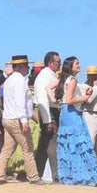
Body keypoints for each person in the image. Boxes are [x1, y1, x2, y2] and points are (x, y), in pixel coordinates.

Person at [50, 57, 97, 186]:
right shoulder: (72, 80)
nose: (79, 65)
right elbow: (69, 100)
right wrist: (84, 98)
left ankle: (69, 174)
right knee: (79, 143)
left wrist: (54, 99)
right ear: (71, 66)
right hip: (71, 112)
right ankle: (81, 175)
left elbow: (48, 87)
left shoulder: (63, 79)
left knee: (68, 143)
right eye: (77, 63)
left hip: (64, 113)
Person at [0, 55, 41, 184]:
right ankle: (34, 177)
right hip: (16, 119)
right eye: (25, 65)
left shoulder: (9, 80)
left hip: (8, 118)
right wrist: (24, 121)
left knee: (7, 149)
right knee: (28, 148)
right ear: (20, 66)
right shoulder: (20, 81)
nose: (28, 67)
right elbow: (20, 103)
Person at [33, 51, 61, 182]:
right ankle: (56, 175)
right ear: (50, 63)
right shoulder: (45, 75)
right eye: (57, 63)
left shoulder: (49, 74)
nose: (59, 65)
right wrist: (48, 119)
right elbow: (43, 99)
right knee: (51, 143)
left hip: (49, 110)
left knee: (44, 145)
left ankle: (37, 172)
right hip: (48, 110)